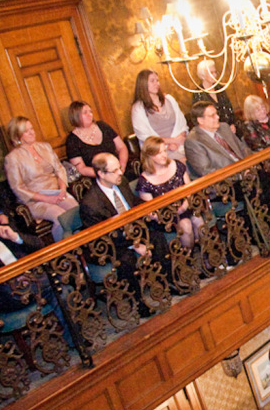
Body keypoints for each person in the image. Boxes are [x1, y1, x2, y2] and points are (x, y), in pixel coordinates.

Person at [79, 153, 171, 301]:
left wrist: (149, 209)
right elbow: (104, 237)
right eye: (115, 170)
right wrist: (134, 244)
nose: (120, 173)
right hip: (112, 243)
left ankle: (168, 283)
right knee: (126, 259)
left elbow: (133, 202)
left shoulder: (121, 183)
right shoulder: (91, 204)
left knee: (157, 237)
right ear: (101, 174)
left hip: (134, 230)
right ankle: (137, 301)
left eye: (119, 168)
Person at [4, 116, 78, 241]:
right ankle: (65, 250)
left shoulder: (45, 147)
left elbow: (59, 169)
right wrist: (47, 198)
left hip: (57, 192)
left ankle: (80, 246)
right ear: (17, 136)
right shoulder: (12, 158)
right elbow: (18, 188)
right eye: (26, 131)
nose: (31, 133)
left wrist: (62, 189)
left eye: (32, 129)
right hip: (36, 200)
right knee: (60, 216)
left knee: (75, 209)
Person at [135, 136, 203, 249]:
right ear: (149, 155)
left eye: (164, 151)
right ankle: (188, 255)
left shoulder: (176, 165)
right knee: (185, 225)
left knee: (198, 220)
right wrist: (171, 214)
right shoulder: (144, 181)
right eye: (159, 153)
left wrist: (184, 206)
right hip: (165, 217)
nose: (164, 155)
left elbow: (189, 189)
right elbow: (150, 212)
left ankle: (205, 252)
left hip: (185, 205)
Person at [185, 100, 250, 180]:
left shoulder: (224, 127)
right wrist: (239, 175)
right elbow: (206, 171)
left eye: (216, 113)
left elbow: (243, 148)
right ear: (200, 120)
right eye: (212, 115)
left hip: (248, 170)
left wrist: (251, 165)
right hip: (229, 182)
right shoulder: (193, 141)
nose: (218, 117)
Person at [131, 69, 187, 160]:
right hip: (158, 151)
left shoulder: (169, 99)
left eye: (157, 80)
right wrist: (171, 142)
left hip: (180, 144)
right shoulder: (138, 108)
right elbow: (146, 137)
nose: (157, 83)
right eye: (152, 81)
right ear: (143, 84)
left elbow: (182, 124)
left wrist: (177, 141)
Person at [65, 101, 129, 179]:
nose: (90, 115)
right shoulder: (72, 140)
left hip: (119, 170)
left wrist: (121, 166)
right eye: (85, 112)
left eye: (90, 112)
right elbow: (81, 168)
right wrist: (105, 174)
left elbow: (122, 147)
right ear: (75, 116)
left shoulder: (103, 126)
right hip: (98, 177)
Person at [191, 59, 238, 132]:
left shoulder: (220, 88)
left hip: (229, 129)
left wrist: (232, 124)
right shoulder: (198, 94)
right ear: (203, 75)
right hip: (212, 131)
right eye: (211, 72)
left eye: (215, 72)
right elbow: (199, 117)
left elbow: (229, 108)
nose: (215, 75)